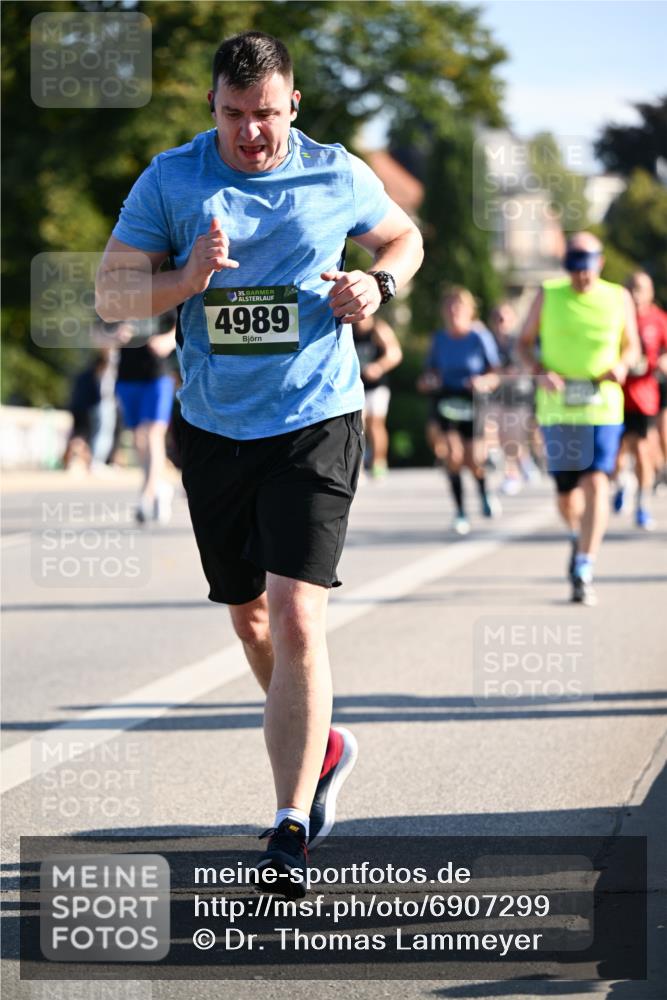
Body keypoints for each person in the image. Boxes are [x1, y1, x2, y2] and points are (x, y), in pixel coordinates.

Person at [95, 31, 423, 896]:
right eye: (234, 116)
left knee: (296, 612)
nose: (251, 135)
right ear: (213, 107)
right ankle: (324, 741)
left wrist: (377, 285)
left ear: (294, 107)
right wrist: (186, 279)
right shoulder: (172, 177)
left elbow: (404, 238)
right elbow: (111, 291)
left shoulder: (336, 171)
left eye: (266, 115)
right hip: (212, 428)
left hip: (316, 416)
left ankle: (289, 821)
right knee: (248, 619)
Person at [518, 232, 640, 606]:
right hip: (558, 408)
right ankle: (577, 534)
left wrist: (622, 365)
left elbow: (632, 346)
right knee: (566, 495)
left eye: (587, 269)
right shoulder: (548, 293)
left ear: (599, 264)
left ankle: (585, 564)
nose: (581, 277)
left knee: (597, 481)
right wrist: (540, 370)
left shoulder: (619, 297)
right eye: (575, 269)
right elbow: (522, 343)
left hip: (602, 404)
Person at [417, 287, 501, 536]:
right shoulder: (439, 339)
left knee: (474, 459)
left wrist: (483, 382)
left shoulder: (479, 337)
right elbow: (427, 374)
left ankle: (484, 489)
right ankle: (461, 511)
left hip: (473, 400)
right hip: (446, 400)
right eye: (450, 307)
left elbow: (496, 374)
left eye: (459, 307)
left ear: (469, 311)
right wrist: (429, 381)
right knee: (452, 456)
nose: (454, 312)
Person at [612, 272, 667, 528]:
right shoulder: (615, 317)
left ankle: (642, 505)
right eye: (630, 287)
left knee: (643, 452)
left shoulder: (658, 320)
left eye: (640, 288)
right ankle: (623, 483)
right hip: (613, 395)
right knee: (616, 454)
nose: (635, 293)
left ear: (650, 292)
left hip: (643, 397)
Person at [115, 311, 178, 524]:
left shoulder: (164, 285)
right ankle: (160, 487)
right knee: (138, 440)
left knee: (153, 435)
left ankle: (146, 497)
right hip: (127, 377)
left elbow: (184, 324)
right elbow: (96, 331)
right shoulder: (119, 295)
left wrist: (167, 340)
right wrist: (113, 336)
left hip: (157, 376)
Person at [487, 302, 540, 495]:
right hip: (498, 394)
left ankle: (519, 467)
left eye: (505, 317)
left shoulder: (520, 342)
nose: (501, 322)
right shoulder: (488, 341)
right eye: (497, 318)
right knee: (500, 435)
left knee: (514, 436)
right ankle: (515, 471)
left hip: (519, 394)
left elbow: (526, 367)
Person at [352, 314, 403, 478]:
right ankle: (358, 465)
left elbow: (395, 354)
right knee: (358, 424)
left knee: (376, 424)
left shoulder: (378, 329)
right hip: (357, 386)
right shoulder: (349, 329)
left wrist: (378, 367)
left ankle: (378, 462)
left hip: (377, 386)